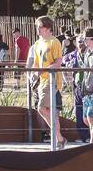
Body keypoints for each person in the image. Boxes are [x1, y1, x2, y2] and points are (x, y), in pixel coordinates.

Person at [28, 15, 66, 147]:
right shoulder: (37, 43)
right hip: (42, 81)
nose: (38, 29)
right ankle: (59, 138)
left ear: (47, 28)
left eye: (40, 26)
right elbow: (36, 64)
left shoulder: (54, 42)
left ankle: (58, 137)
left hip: (52, 80)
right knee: (49, 111)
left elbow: (58, 63)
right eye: (37, 26)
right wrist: (34, 74)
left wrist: (42, 71)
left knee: (42, 108)